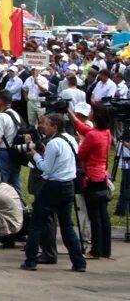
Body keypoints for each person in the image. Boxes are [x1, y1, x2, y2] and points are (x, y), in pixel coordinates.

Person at [20, 113, 87, 272]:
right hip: (68, 185)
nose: (44, 127)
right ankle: (79, 262)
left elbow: (46, 168)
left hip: (53, 185)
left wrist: (36, 156)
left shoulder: (53, 143)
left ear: (55, 127)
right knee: (67, 226)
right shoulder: (70, 139)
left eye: (47, 124)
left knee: (36, 224)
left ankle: (30, 261)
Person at [69, 102, 112, 259]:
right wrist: (70, 113)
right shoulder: (106, 132)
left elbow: (81, 154)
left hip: (91, 177)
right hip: (102, 176)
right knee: (103, 214)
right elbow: (84, 128)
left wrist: (80, 141)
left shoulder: (93, 135)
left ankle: (96, 249)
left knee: (94, 215)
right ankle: (105, 248)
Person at [0, 90, 24, 199]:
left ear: (0, 101)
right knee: (15, 185)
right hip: (15, 153)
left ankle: (1, 209)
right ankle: (21, 209)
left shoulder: (1, 116)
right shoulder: (15, 114)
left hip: (3, 153)